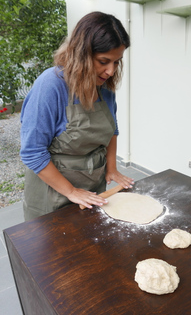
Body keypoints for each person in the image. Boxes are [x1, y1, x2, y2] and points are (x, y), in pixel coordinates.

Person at [20, 11, 134, 221]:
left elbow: (112, 130)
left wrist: (111, 168)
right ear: (80, 54)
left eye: (117, 62)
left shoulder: (104, 88)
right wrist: (71, 191)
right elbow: (32, 152)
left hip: (92, 188)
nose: (110, 71)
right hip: (53, 192)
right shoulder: (51, 85)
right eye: (103, 61)